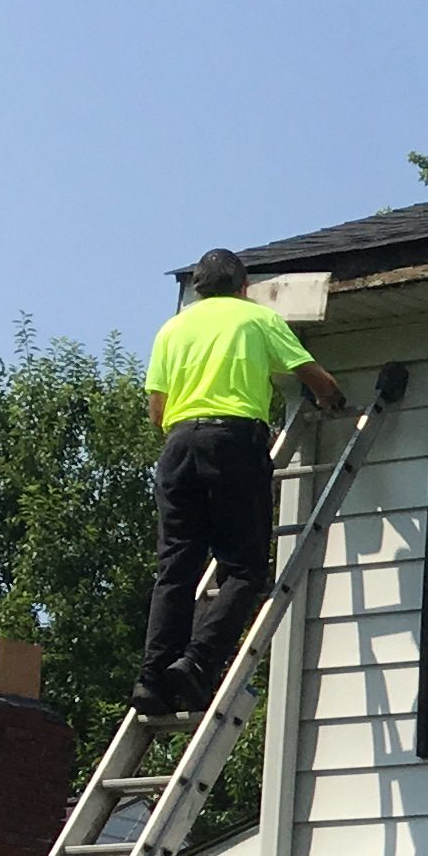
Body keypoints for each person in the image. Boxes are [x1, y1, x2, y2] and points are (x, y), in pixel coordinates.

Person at [138, 248, 346, 717]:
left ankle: (152, 679)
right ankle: (195, 663)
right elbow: (311, 375)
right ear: (243, 286)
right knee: (245, 570)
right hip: (232, 442)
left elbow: (157, 411)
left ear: (198, 288)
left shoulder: (172, 330)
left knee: (176, 570)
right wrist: (332, 397)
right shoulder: (256, 320)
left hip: (177, 447)